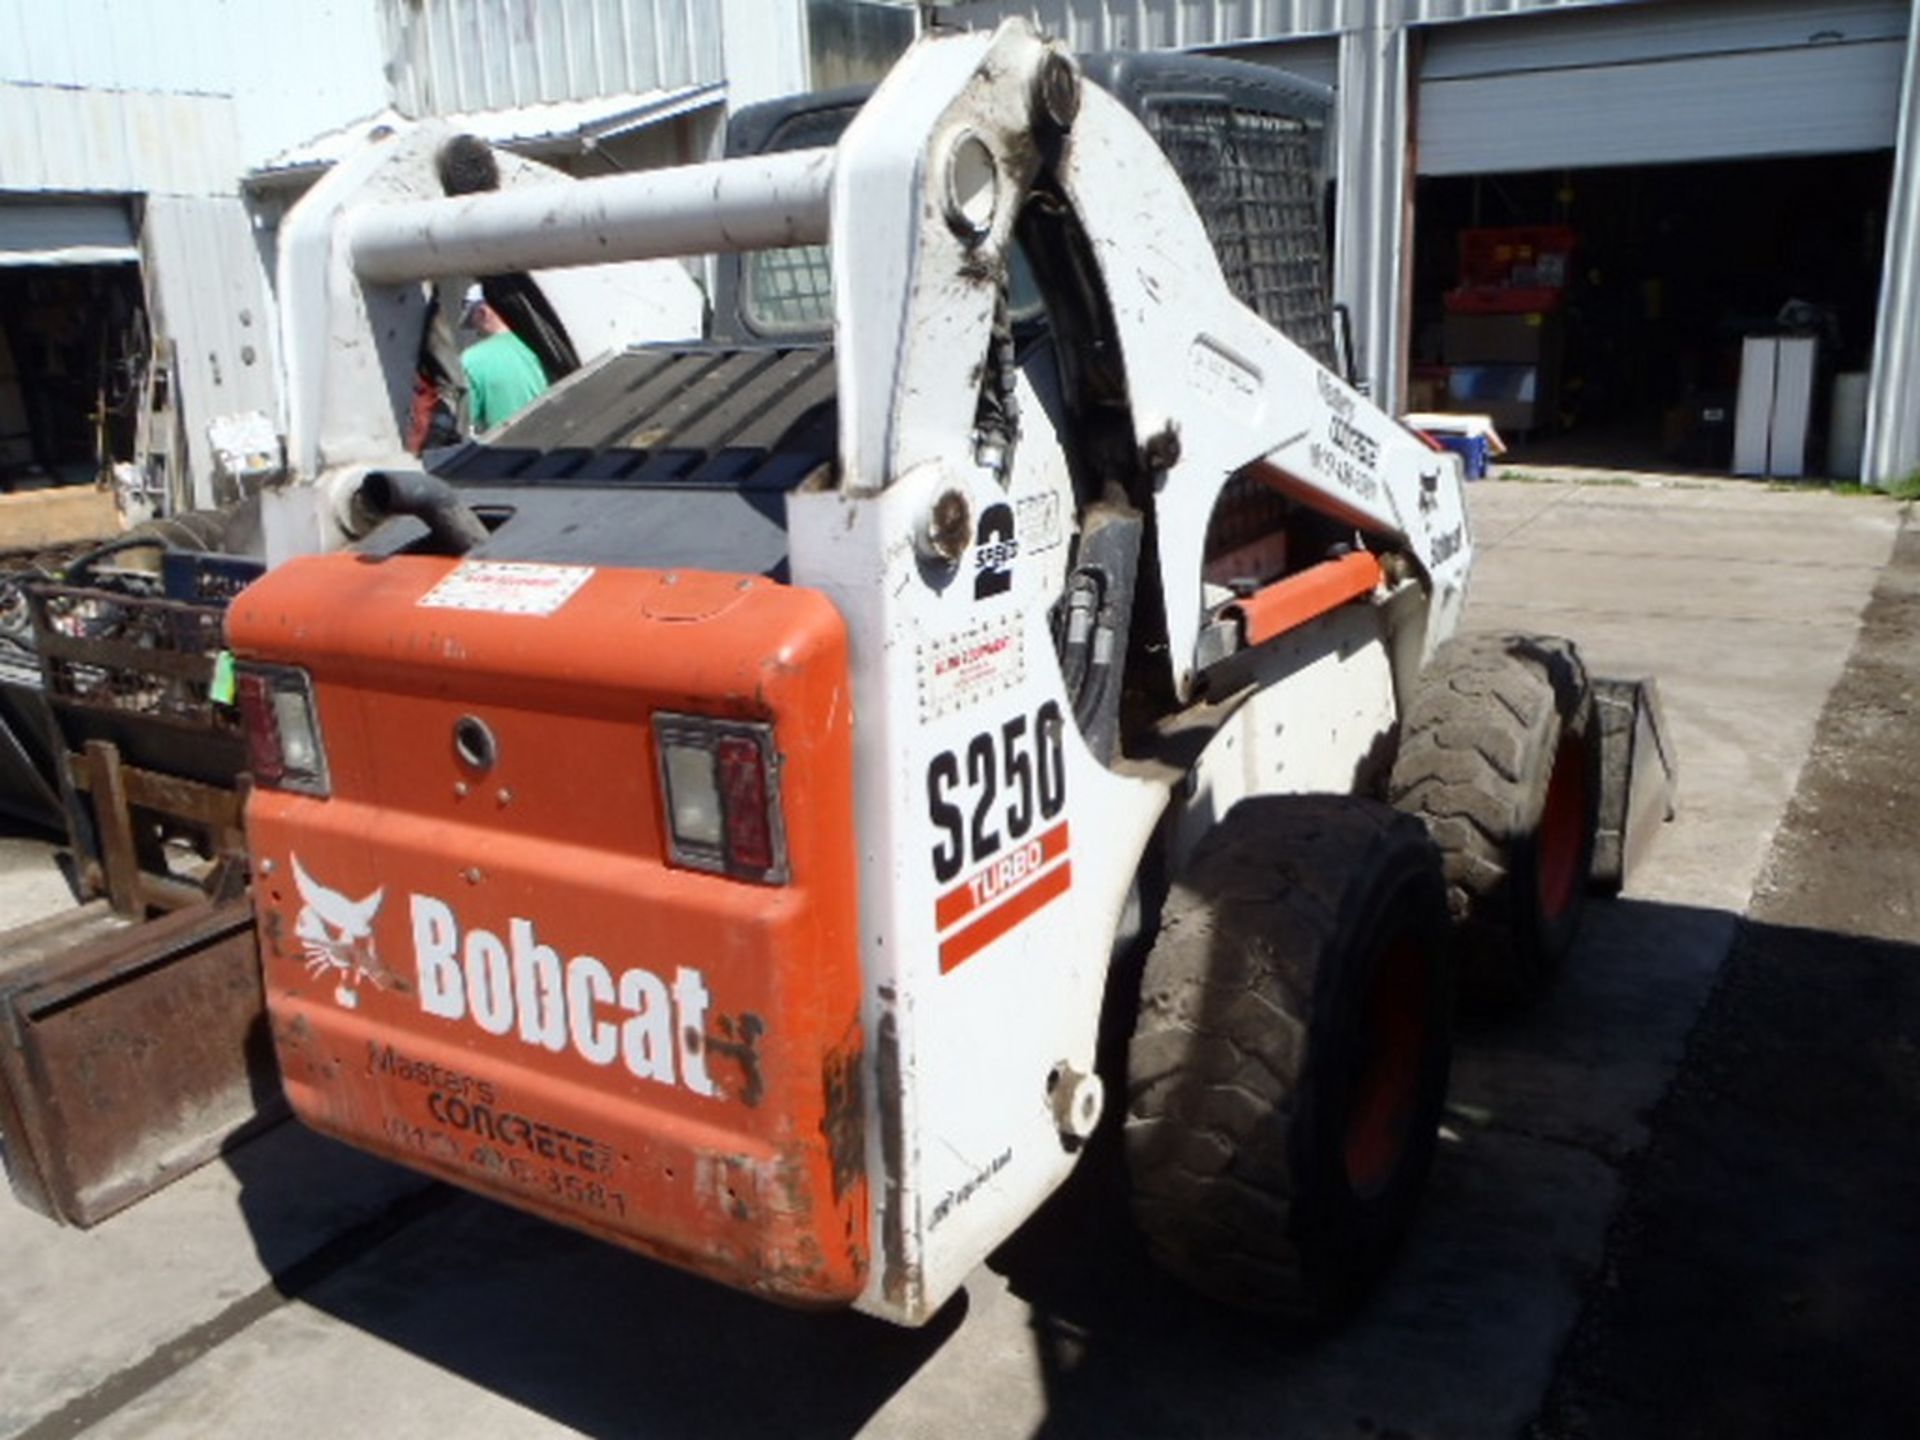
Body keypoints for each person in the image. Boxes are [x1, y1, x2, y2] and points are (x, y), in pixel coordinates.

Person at [460, 286, 548, 432]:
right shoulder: (540, 346)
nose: (475, 331)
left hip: (507, 451)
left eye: (472, 321)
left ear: (483, 312)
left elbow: (464, 425)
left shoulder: (470, 360)